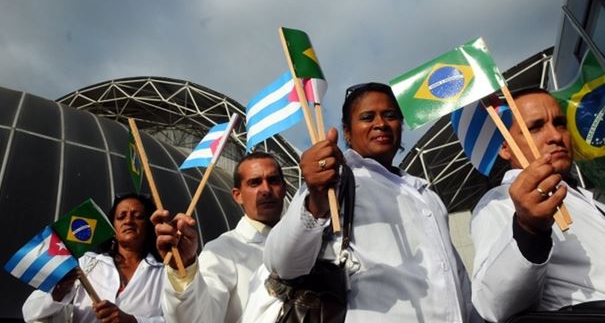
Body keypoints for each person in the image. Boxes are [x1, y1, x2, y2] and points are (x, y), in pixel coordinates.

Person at [244, 82, 474, 322]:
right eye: (367, 117)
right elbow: (282, 264)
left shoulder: (426, 194)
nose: (380, 124)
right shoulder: (335, 181)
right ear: (347, 131)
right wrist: (316, 203)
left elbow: (458, 279)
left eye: (390, 116)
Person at [471, 88, 605, 322]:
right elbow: (493, 303)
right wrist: (528, 230)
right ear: (504, 147)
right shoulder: (500, 202)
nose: (555, 136)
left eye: (560, 123)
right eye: (535, 127)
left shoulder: (583, 195)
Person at [152, 151, 287, 323]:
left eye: (273, 180)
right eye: (255, 183)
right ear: (237, 195)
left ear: (284, 188)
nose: (266, 190)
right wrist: (183, 269)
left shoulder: (311, 244)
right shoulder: (222, 251)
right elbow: (198, 319)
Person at [22, 193, 165, 322]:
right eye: (121, 217)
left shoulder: (165, 273)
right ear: (113, 230)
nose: (128, 221)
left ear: (149, 226)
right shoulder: (85, 264)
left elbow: (181, 319)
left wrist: (134, 321)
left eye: (138, 216)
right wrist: (59, 292)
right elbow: (30, 312)